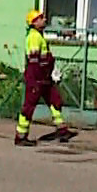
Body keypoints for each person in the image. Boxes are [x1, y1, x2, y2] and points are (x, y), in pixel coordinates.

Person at [17, 9, 76, 146]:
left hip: (44, 77)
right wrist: (38, 78)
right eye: (40, 18)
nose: (44, 20)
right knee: (29, 106)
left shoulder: (40, 35)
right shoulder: (33, 37)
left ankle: (62, 129)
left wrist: (51, 72)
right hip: (36, 78)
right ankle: (21, 136)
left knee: (54, 101)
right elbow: (34, 60)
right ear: (34, 22)